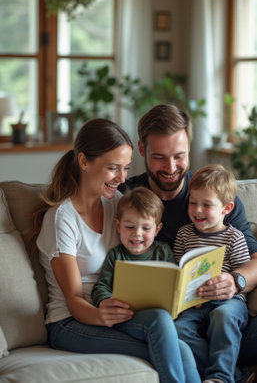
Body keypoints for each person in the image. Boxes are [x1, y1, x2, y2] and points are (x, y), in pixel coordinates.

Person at [33, 118, 200, 383]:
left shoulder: (118, 204)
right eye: (113, 168)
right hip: (71, 322)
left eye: (125, 168)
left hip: (119, 310)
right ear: (84, 162)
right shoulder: (61, 218)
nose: (122, 178)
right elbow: (74, 300)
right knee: (172, 348)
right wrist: (100, 314)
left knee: (175, 340)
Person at [118, 104, 257, 367]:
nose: (170, 167)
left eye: (179, 156)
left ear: (190, 148)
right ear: (141, 150)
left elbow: (254, 259)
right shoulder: (125, 197)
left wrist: (236, 281)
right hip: (168, 319)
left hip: (222, 312)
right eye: (159, 157)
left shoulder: (217, 200)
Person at [92, 186, 201, 383]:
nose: (137, 234)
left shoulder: (163, 252)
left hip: (163, 319)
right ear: (117, 225)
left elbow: (175, 283)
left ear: (158, 229)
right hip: (127, 318)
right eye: (130, 227)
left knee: (184, 347)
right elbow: (101, 286)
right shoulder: (116, 255)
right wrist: (105, 301)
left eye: (146, 227)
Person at [173, 164, 251, 383]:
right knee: (178, 331)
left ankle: (220, 378)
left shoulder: (234, 238)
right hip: (193, 304)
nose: (197, 210)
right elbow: (177, 270)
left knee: (223, 316)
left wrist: (233, 290)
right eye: (193, 202)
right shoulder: (184, 234)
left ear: (226, 208)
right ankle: (236, 376)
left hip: (228, 302)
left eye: (206, 205)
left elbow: (242, 277)